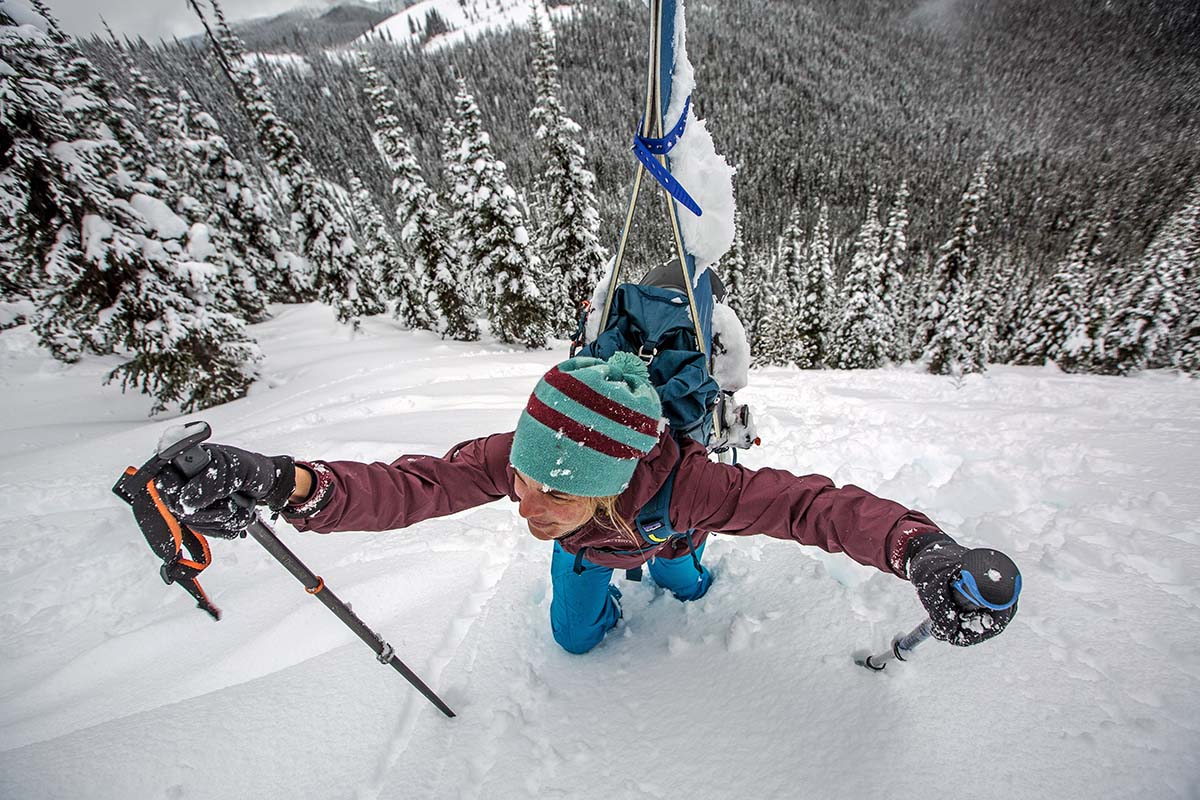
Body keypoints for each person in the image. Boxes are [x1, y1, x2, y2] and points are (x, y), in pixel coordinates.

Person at [155, 352, 1017, 655]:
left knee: (685, 587)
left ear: (610, 478)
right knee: (571, 638)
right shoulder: (520, 461)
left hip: (668, 533)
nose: (527, 498)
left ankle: (674, 579)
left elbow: (809, 508)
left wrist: (920, 548)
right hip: (593, 552)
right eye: (525, 477)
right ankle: (609, 601)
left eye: (559, 489)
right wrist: (288, 484)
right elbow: (412, 486)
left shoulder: (694, 485)